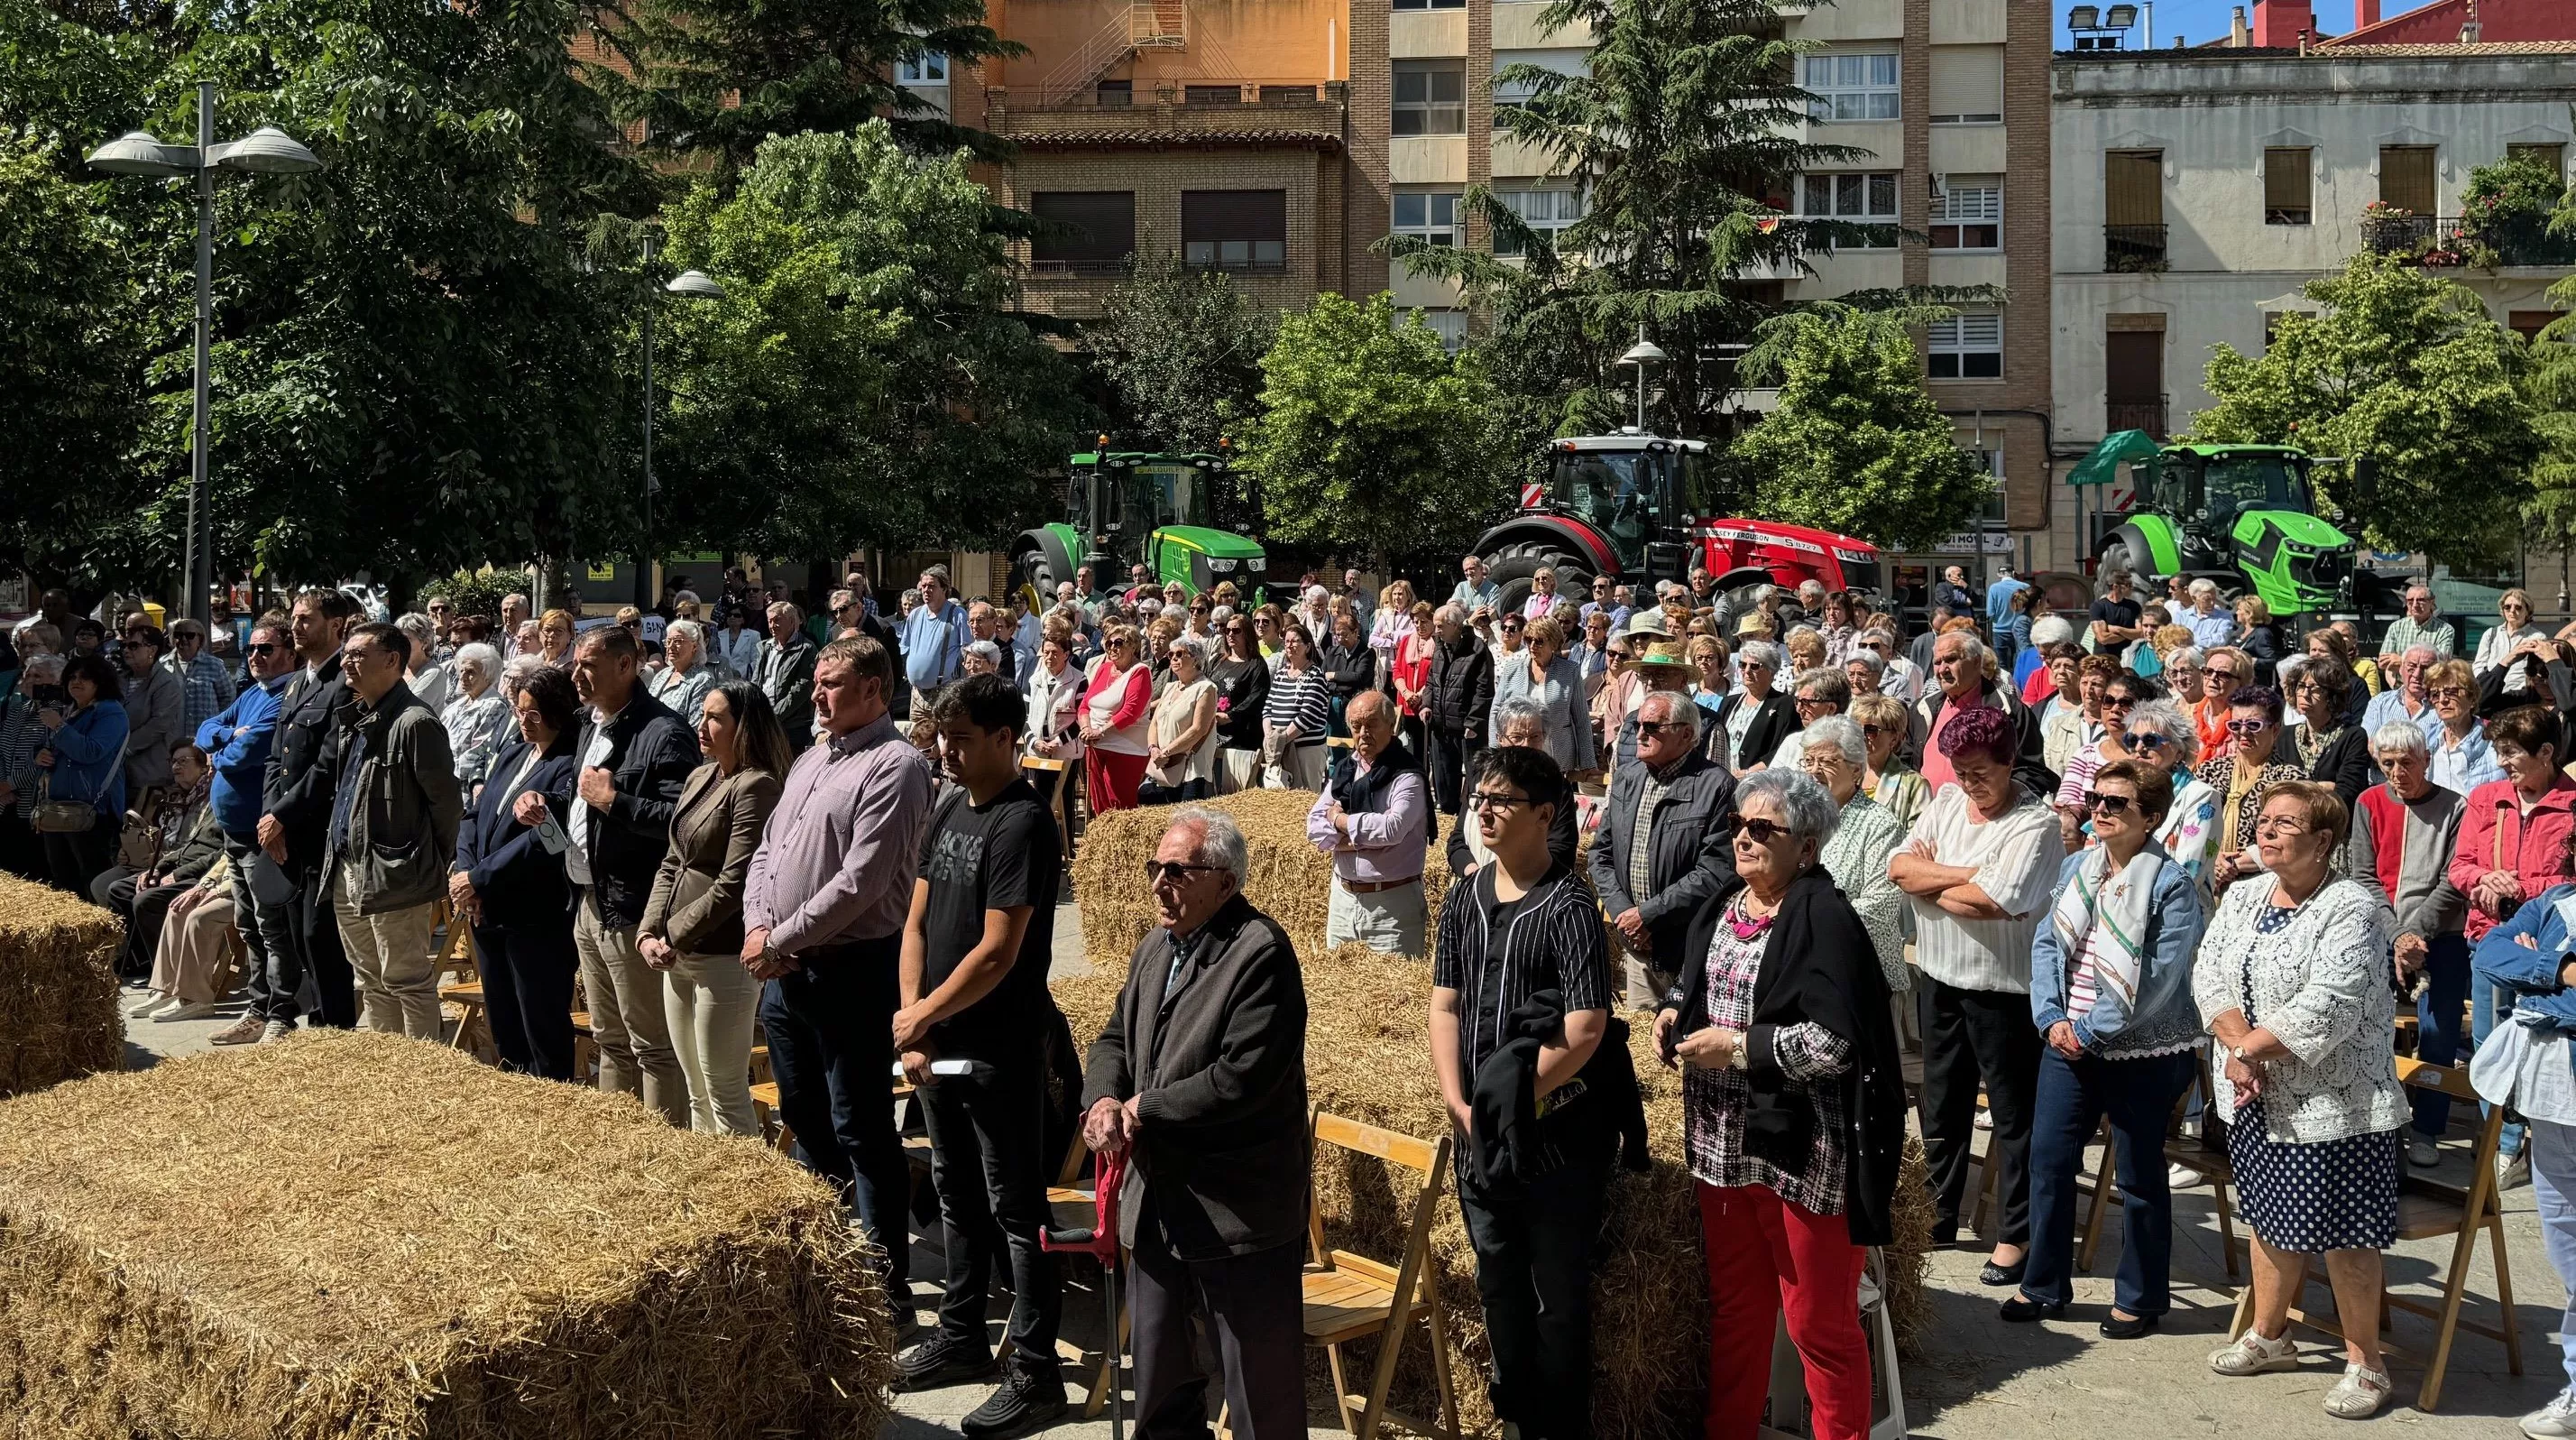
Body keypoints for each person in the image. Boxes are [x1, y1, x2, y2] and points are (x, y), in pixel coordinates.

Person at [1658, 766, 1905, 1440]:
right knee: (1737, 1311)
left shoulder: (1827, 918)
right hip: (1721, 1146)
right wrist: (1675, 1013)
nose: (1744, 837)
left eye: (1763, 828)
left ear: (1808, 846)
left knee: (1817, 1326)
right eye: (1739, 824)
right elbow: (1695, 988)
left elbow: (1838, 1043)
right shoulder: (1723, 907)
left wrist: (1738, 1049)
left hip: (1804, 1151)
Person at [1081, 808, 1310, 1440]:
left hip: (1238, 1213)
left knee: (1261, 1401)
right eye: (1155, 868)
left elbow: (1241, 1080)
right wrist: (1103, 1099)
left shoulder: (1260, 953)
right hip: (1158, 1202)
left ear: (1226, 883)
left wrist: (1142, 1109)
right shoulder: (1157, 946)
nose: (1159, 882)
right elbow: (1112, 1041)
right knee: (1159, 1390)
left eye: (1178, 871)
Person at [1432, 744, 1631, 1440]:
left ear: (1545, 814)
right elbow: (1445, 1005)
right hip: (1479, 1138)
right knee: (1498, 1288)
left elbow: (1586, 1027)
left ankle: (1558, 1428)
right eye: (1477, 798)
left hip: (1555, 1141)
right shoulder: (1465, 895)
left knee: (1556, 1303)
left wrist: (1508, 1100)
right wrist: (1462, 1104)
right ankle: (1516, 1419)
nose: (1482, 810)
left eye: (1500, 800)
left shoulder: (1570, 905)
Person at [891, 672, 1069, 1433]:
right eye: (941, 741)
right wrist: (915, 1019)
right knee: (955, 1192)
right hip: (938, 1041)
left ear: (1006, 739)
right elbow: (917, 923)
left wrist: (923, 1013)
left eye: (962, 742)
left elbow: (1000, 951)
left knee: (1017, 1208)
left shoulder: (1025, 823)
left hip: (999, 1046)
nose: (947, 755)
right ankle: (961, 1336)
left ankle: (1036, 1369)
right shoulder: (947, 808)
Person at [743, 634, 934, 1322]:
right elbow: (768, 851)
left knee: (860, 1126)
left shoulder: (897, 766)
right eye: (817, 683)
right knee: (802, 1112)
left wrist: (780, 939)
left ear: (875, 690)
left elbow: (864, 881)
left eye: (830, 684)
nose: (816, 695)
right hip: (785, 971)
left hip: (852, 969)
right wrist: (759, 929)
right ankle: (834, 1252)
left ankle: (886, 1289)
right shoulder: (810, 756)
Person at [2198, 782, 2403, 1420]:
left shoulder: (2354, 907)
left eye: (2287, 823)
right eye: (2264, 820)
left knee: (2344, 1236)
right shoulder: (2244, 894)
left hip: (2337, 1105)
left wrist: (2249, 1052)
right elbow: (2209, 972)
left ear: (2323, 841)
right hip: (2253, 1092)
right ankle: (2270, 1335)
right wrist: (2240, 1049)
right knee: (2267, 1217)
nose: (2268, 830)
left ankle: (2366, 1363)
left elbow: (2331, 1003)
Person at [2011, 761, 2207, 1335]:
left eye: (2117, 803)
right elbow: (2048, 942)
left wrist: (2090, 1029)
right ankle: (2043, 1285)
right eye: (2097, 798)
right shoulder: (2078, 865)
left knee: (2140, 1176)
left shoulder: (2173, 885)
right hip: (2065, 1040)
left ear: (2151, 817)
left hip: (2142, 1050)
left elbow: (2160, 977)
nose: (2100, 809)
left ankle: (2141, 1298)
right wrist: (2051, 1018)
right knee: (2047, 1163)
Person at [1891, 705, 2065, 1281]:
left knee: (2014, 1116)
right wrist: (1970, 875)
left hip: (2004, 991)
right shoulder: (1943, 804)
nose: (1969, 783)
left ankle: (2016, 1235)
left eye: (1980, 772)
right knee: (1941, 1101)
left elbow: (2000, 903)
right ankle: (1938, 1213)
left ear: (2009, 762)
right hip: (1940, 976)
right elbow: (1899, 869)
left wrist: (1933, 882)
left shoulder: (2034, 824)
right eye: (1960, 771)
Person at [520, 625, 699, 1122]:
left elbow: (681, 822)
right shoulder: (589, 723)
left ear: (626, 665)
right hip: (589, 900)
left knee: (652, 1045)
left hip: (634, 908)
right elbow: (584, 805)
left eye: (588, 665)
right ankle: (615, 1152)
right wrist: (545, 802)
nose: (575, 673)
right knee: (609, 1039)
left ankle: (663, 1155)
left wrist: (614, 801)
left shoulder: (664, 733)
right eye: (575, 663)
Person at [631, 679, 788, 1133]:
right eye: (702, 715)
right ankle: (711, 1193)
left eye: (716, 717)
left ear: (744, 727)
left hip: (721, 956)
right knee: (695, 1087)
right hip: (677, 955)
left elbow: (736, 881)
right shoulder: (702, 775)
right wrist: (648, 932)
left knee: (723, 1090)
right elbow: (670, 862)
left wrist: (673, 935)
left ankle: (747, 1197)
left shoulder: (756, 786)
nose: (701, 726)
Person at [311, 622, 462, 1039]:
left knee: (406, 980)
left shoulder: (415, 722)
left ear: (393, 661)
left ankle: (420, 1078)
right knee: (370, 983)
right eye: (346, 654)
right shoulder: (356, 717)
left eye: (358, 654)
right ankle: (388, 1079)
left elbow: (446, 806)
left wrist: (426, 862)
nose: (346, 663)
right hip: (348, 868)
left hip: (396, 872)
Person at [2346, 721, 2469, 1169]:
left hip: (2443, 936)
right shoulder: (2368, 802)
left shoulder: (2456, 807)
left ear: (2427, 760)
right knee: (2371, 1030)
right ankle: (2379, 1124)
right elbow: (2364, 876)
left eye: (2407, 762)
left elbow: (2455, 880)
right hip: (2382, 932)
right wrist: (2398, 937)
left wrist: (2418, 936)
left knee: (2438, 1034)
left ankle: (2428, 1129)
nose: (2398, 772)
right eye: (2388, 763)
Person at [449, 666, 582, 1078]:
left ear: (557, 712)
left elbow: (549, 840)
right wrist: (467, 875)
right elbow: (473, 817)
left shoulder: (569, 763)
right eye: (519, 711)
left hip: (534, 914)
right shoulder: (513, 753)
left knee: (540, 1024)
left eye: (533, 714)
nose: (524, 721)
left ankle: (552, 1112)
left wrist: (477, 879)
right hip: (487, 909)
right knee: (504, 1023)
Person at [1590, 689, 1738, 1009]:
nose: (1641, 733)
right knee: (1646, 1040)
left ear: (1687, 734)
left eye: (1653, 726)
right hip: (1636, 945)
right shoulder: (1627, 779)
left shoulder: (1717, 786)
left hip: (1687, 945)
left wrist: (1648, 915)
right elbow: (1600, 854)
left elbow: (1716, 871)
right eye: (1638, 725)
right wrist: (1624, 916)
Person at [1306, 691, 1430, 955]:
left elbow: (1391, 829)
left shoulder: (1407, 776)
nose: (1363, 732)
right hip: (1343, 901)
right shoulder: (1346, 771)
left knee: (1395, 994)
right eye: (1356, 726)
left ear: (1391, 726)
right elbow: (1314, 826)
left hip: (1392, 908)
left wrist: (1340, 819)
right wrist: (1362, 841)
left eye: (1372, 724)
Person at [1798, 715, 1908, 994]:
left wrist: (1805, 924)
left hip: (1860, 974)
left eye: (1827, 762)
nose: (1814, 771)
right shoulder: (1797, 820)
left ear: (1857, 770)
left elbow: (1880, 906)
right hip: (1800, 968)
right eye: (1809, 761)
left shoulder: (1880, 825)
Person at [97, 743, 220, 988]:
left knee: (144, 899)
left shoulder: (216, 801)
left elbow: (218, 854)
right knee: (116, 889)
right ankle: (140, 959)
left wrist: (172, 872)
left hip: (201, 873)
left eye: (183, 761)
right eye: (173, 762)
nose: (176, 767)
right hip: (165, 862)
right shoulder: (170, 797)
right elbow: (161, 837)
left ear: (203, 768)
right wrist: (156, 865)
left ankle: (165, 970)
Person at [26, 651, 131, 893]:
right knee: (63, 880)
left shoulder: (111, 712)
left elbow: (91, 751)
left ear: (100, 681)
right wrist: (42, 756)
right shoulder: (71, 710)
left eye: (85, 677)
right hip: (60, 808)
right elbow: (64, 752)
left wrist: (59, 726)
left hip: (92, 811)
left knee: (92, 879)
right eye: (72, 676)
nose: (76, 682)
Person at [2197, 686, 2307, 897]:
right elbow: (2192, 825)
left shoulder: (2290, 779)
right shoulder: (2210, 771)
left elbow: (2293, 837)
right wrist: (2215, 859)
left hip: (2264, 886)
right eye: (2235, 725)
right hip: (2207, 882)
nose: (2243, 732)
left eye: (2254, 725)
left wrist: (2234, 864)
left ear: (2275, 730)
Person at [1487, 615, 1593, 781]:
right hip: (1518, 753)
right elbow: (1496, 711)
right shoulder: (1512, 668)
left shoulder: (1570, 671)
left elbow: (1581, 719)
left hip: (1556, 756)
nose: (1532, 646)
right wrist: (1494, 751)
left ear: (1554, 643)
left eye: (1539, 641)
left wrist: (1587, 761)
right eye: (1529, 640)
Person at [1078, 623, 1154, 811]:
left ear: (1133, 646)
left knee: (1120, 808)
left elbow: (1130, 712)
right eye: (1108, 643)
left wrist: (1099, 731)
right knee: (1098, 807)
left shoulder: (1140, 672)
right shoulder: (1104, 668)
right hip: (1095, 746)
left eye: (1118, 643)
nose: (1112, 647)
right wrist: (1087, 729)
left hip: (1125, 750)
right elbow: (1085, 705)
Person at [1142, 634, 1220, 805]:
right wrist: (1154, 749)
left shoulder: (1206, 688)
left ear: (1195, 659)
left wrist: (1166, 752)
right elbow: (1155, 722)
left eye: (1179, 654)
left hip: (1191, 769)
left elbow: (1198, 729)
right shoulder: (1170, 687)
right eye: (1171, 655)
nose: (1174, 659)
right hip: (1163, 767)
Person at [2286, 654, 2369, 807]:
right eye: (2301, 686)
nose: (2305, 695)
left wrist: (2296, 789)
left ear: (2332, 696)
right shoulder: (2285, 735)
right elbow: (2275, 787)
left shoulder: (2352, 736)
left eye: (2315, 689)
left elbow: (2347, 793)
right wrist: (2325, 787)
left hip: (2333, 825)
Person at [115, 627, 186, 807]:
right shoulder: (119, 679)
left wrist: (124, 748)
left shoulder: (166, 682)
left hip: (150, 773)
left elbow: (159, 724)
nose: (126, 650)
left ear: (152, 650)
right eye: (123, 645)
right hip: (117, 772)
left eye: (133, 646)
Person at [1260, 622, 1332, 791]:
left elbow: (1307, 715)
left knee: (1306, 796)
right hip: (1279, 747)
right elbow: (1268, 708)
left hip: (1306, 750)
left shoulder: (1316, 676)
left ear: (1307, 646)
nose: (1289, 645)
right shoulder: (1280, 674)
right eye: (1287, 641)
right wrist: (1271, 738)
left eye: (1295, 641)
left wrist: (1282, 739)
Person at [1850, 693, 1930, 835]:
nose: (1862, 736)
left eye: (1871, 731)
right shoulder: (1845, 774)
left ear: (1894, 738)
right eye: (1857, 729)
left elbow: (1919, 839)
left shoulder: (1914, 785)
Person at [440, 642, 512, 798]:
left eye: (471, 672)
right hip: (438, 784)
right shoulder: (455, 706)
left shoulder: (494, 707)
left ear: (488, 676)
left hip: (461, 791)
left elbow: (477, 753)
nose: (463, 677)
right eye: (462, 670)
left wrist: (440, 771)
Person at [1712, 639, 1794, 775]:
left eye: (1755, 666)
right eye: (1743, 665)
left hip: (1758, 780)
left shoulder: (1783, 704)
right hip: (1723, 777)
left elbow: (1783, 748)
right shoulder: (1729, 702)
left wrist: (1748, 773)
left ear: (1771, 671)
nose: (1747, 671)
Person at [2424, 658, 2503, 794]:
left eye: (2451, 692)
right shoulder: (2428, 742)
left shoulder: (2495, 742)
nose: (2443, 700)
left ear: (2472, 699)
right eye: (2435, 694)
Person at [755, 602, 818, 749]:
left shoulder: (806, 649)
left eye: (777, 620)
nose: (772, 625)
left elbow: (800, 689)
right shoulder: (765, 647)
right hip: (764, 719)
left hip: (792, 726)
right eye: (769, 621)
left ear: (791, 621)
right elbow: (757, 681)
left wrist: (774, 716)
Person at [161, 618, 236, 735]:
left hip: (203, 738)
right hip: (168, 739)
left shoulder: (213, 665)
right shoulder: (162, 665)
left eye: (190, 635)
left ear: (200, 639)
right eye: (178, 635)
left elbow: (228, 697)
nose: (183, 639)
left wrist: (214, 724)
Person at [649, 618, 717, 730]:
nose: (670, 646)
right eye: (668, 641)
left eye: (677, 641)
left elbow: (695, 727)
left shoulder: (703, 680)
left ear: (694, 647)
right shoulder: (662, 675)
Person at [2379, 584, 2456, 664]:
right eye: (2410, 601)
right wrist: (2425, 663)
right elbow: (2383, 662)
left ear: (2432, 602)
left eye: (2420, 600)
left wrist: (2402, 660)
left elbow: (2441, 663)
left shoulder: (2445, 630)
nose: (2415, 605)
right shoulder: (2396, 627)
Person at [2089, 571, 2146, 659]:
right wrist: (2129, 635)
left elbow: (2141, 633)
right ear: (2115, 586)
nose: (2132, 588)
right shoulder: (2098, 606)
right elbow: (2102, 638)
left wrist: (2118, 629)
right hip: (2104, 657)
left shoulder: (2134, 606)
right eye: (2128, 585)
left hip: (2129, 657)